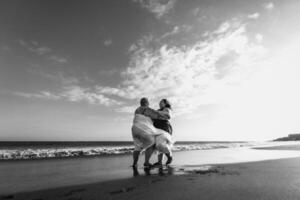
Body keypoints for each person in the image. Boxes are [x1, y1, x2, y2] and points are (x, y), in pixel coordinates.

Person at [131, 97, 171, 167]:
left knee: (137, 147)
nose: (159, 103)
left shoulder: (136, 110)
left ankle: (135, 163)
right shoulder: (147, 109)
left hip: (134, 129)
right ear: (147, 103)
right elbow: (160, 115)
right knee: (153, 142)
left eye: (161, 102)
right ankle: (148, 162)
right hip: (144, 129)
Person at [150, 99, 173, 166]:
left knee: (160, 144)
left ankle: (169, 156)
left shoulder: (166, 109)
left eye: (161, 103)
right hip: (157, 129)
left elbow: (168, 116)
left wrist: (156, 113)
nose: (159, 104)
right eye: (159, 103)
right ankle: (160, 162)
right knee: (159, 145)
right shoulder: (158, 110)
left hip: (164, 129)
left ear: (165, 103)